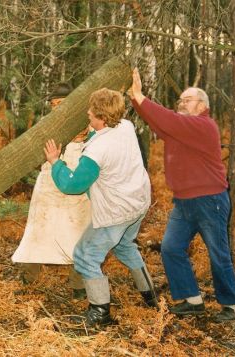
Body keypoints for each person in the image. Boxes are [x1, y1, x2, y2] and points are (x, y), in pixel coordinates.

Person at [128, 68, 235, 322]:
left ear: (202, 105)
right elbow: (158, 121)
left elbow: (168, 120)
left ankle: (231, 304)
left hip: (209, 199)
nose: (181, 102)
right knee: (171, 248)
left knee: (217, 253)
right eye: (179, 99)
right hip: (184, 202)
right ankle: (192, 299)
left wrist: (141, 96)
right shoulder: (181, 127)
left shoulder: (203, 126)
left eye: (187, 99)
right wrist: (135, 98)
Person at [44, 88, 157, 328]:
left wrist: (56, 162)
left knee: (85, 256)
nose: (87, 113)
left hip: (116, 211)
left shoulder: (97, 151)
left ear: (102, 118)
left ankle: (100, 313)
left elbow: (72, 184)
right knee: (125, 245)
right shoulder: (125, 126)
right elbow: (102, 140)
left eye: (91, 112)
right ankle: (150, 296)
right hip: (138, 202)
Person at [12, 83, 90, 299]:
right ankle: (29, 279)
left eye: (62, 103)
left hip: (75, 189)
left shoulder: (88, 126)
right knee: (38, 230)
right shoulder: (46, 126)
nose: (57, 107)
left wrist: (83, 138)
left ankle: (79, 285)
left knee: (77, 233)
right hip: (48, 186)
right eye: (54, 104)